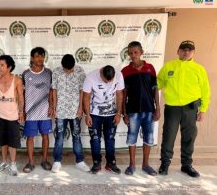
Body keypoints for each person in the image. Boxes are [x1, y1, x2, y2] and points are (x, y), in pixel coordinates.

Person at [157, 40, 210, 178]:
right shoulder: (169, 66)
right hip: (172, 108)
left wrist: (203, 110)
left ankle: (186, 165)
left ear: (193, 52)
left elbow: (205, 91)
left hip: (190, 109)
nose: (186, 52)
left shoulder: (199, 69)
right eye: (183, 49)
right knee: (168, 136)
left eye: (189, 50)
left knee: (189, 137)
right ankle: (165, 164)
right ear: (178, 51)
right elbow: (158, 83)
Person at [121, 41, 160, 176]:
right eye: (130, 53)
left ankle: (146, 165)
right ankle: (131, 165)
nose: (133, 55)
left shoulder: (150, 68)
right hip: (132, 111)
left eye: (136, 52)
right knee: (132, 137)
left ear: (141, 52)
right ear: (128, 54)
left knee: (148, 137)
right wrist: (124, 112)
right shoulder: (125, 71)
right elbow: (123, 93)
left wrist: (158, 108)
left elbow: (155, 89)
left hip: (149, 110)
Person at [51, 54, 90, 173]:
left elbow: (81, 91)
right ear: (62, 66)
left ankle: (80, 161)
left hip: (74, 111)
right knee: (59, 137)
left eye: (70, 69)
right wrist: (54, 107)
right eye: (66, 70)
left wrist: (80, 109)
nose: (68, 72)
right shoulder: (56, 72)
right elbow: (54, 90)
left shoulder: (79, 71)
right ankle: (57, 161)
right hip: (61, 111)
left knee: (76, 136)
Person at [83, 65, 124, 174]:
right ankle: (96, 163)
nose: (107, 83)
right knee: (95, 139)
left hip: (111, 114)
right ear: (101, 74)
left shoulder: (119, 75)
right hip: (94, 114)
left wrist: (119, 113)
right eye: (105, 81)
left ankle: (111, 163)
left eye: (109, 81)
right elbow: (86, 96)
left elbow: (119, 94)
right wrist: (87, 115)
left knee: (110, 138)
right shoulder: (91, 77)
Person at [0, 55, 24, 176]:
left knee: (13, 142)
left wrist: (20, 112)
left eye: (2, 65)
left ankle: (13, 164)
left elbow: (21, 98)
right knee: (2, 142)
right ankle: (4, 162)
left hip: (12, 116)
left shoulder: (17, 80)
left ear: (9, 67)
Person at [22, 47, 53, 173]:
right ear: (31, 58)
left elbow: (52, 91)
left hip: (45, 111)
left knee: (45, 136)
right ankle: (30, 162)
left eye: (42, 56)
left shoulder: (49, 73)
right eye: (37, 56)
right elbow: (22, 93)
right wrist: (22, 110)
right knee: (30, 137)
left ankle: (44, 160)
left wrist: (51, 107)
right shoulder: (26, 74)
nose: (40, 59)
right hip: (30, 112)